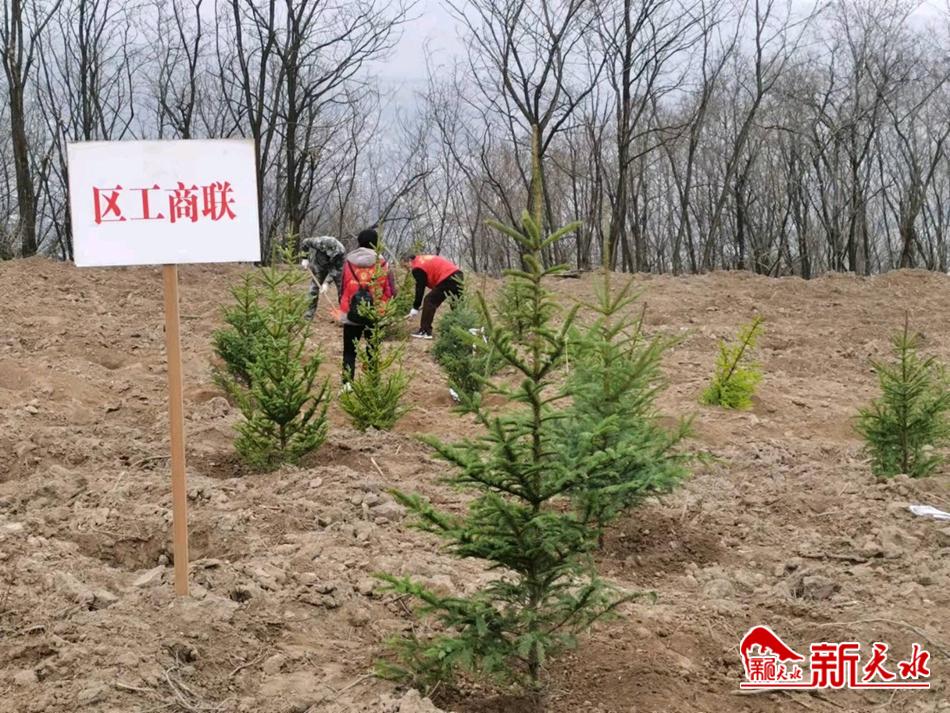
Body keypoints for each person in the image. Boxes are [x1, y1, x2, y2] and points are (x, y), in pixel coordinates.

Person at [339, 228, 396, 383]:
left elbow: (342, 287)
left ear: (359, 242)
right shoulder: (383, 263)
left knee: (349, 352)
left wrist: (344, 307)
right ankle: (371, 384)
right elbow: (391, 291)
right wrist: (387, 309)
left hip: (351, 313)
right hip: (376, 314)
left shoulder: (348, 262)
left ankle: (346, 385)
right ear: (376, 243)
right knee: (373, 351)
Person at [401, 253, 463, 339]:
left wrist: (415, 307)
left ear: (409, 261)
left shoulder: (417, 268)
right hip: (458, 275)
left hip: (448, 277)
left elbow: (420, 288)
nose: (406, 269)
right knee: (456, 305)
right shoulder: (422, 260)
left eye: (405, 266)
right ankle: (463, 331)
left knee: (429, 300)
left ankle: (425, 331)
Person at [300, 235, 345, 320]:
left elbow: (337, 269)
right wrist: (304, 258)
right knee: (313, 289)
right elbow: (305, 242)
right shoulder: (319, 242)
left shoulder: (340, 251)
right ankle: (309, 315)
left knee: (342, 289)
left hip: (334, 267)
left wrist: (327, 283)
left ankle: (344, 314)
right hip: (320, 266)